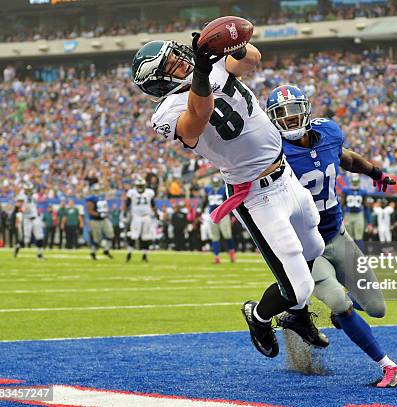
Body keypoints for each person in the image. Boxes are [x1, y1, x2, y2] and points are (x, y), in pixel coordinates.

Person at [132, 30, 327, 357]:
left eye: (176, 54)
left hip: (285, 174)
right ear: (158, 81)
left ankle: (295, 316)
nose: (181, 60)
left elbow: (251, 59)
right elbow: (198, 119)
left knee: (315, 246)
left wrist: (229, 45)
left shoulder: (210, 66)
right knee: (299, 286)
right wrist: (205, 73)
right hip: (256, 195)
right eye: (170, 62)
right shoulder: (166, 111)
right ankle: (260, 316)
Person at [267, 84, 397, 388]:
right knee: (341, 303)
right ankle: (388, 365)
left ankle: (342, 318)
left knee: (377, 309)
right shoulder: (271, 150)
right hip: (306, 249)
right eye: (281, 116)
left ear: (306, 111)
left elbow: (346, 158)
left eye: (293, 114)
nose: (289, 122)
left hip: (337, 235)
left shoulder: (329, 132)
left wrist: (375, 173)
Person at [203, 175, 236, 264]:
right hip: (212, 215)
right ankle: (216, 257)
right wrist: (201, 211)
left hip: (223, 214)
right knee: (215, 237)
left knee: (227, 235)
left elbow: (230, 201)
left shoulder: (223, 189)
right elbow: (205, 201)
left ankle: (232, 252)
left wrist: (232, 215)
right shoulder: (208, 189)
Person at [125, 177, 157, 262]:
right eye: (138, 186)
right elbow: (127, 204)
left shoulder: (149, 193)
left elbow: (153, 205)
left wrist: (156, 214)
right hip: (136, 216)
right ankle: (129, 253)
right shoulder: (132, 193)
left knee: (146, 236)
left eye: (141, 186)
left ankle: (144, 255)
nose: (140, 187)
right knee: (133, 235)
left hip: (146, 216)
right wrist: (125, 213)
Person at [14, 182, 45, 259]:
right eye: (27, 189)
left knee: (40, 236)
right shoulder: (21, 196)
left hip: (35, 218)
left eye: (30, 189)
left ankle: (39, 254)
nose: (29, 191)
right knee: (26, 240)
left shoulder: (34, 196)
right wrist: (21, 209)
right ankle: (17, 248)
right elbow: (16, 209)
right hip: (26, 219)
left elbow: (36, 205)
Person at [85, 182, 114, 260]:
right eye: (96, 190)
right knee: (97, 239)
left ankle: (106, 250)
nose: (97, 192)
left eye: (98, 190)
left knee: (110, 234)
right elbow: (90, 211)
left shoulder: (102, 197)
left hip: (104, 219)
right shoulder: (91, 198)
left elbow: (105, 208)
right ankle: (93, 253)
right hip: (95, 220)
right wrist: (99, 214)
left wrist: (106, 213)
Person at [342, 174, 367, 252]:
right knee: (350, 236)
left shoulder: (362, 192)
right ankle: (350, 253)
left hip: (358, 214)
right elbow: (342, 205)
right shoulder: (346, 191)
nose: (355, 183)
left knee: (358, 236)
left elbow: (365, 206)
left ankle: (360, 254)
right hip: (348, 214)